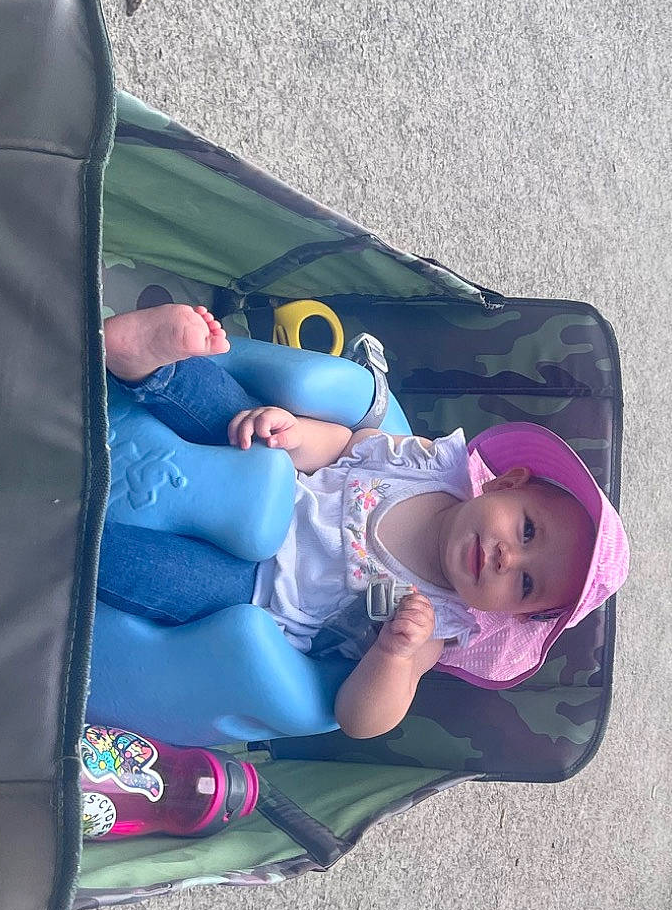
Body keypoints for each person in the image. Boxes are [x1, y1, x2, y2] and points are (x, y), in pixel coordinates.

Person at [100, 303, 629, 738]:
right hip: (265, 474)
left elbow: (361, 721)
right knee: (233, 416)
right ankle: (150, 364)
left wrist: (393, 656)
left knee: (160, 574)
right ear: (504, 484)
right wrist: (295, 434)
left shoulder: (432, 621)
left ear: (508, 614)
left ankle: (76, 547)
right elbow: (348, 446)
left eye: (525, 583)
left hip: (251, 588)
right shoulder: (429, 466)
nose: (505, 558)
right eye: (527, 531)